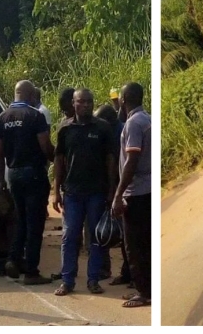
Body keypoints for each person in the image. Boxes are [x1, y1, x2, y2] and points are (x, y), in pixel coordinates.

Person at [52, 89, 117, 296]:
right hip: (72, 193)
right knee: (70, 236)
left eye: (90, 102)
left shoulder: (102, 128)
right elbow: (59, 161)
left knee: (96, 238)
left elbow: (110, 160)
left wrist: (112, 190)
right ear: (74, 103)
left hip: (97, 192)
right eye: (82, 102)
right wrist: (56, 191)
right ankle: (67, 280)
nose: (86, 105)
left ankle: (93, 280)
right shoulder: (65, 129)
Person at [0, 80, 54, 285]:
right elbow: (45, 146)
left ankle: (13, 259)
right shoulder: (34, 116)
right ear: (31, 96)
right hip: (34, 174)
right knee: (35, 224)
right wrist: (59, 160)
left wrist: (1, 181)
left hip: (14, 175)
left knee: (21, 219)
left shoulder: (2, 118)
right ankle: (31, 272)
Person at [111, 83, 151, 308]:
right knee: (146, 242)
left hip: (136, 192)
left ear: (124, 100)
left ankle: (143, 292)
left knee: (134, 245)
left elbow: (132, 160)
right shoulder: (148, 119)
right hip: (148, 189)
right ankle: (147, 288)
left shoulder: (133, 124)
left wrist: (118, 194)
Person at [95, 104, 132, 287]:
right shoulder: (114, 130)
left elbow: (123, 165)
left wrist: (115, 192)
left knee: (130, 235)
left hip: (124, 188)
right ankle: (127, 273)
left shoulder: (119, 133)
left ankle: (135, 276)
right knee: (125, 235)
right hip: (118, 187)